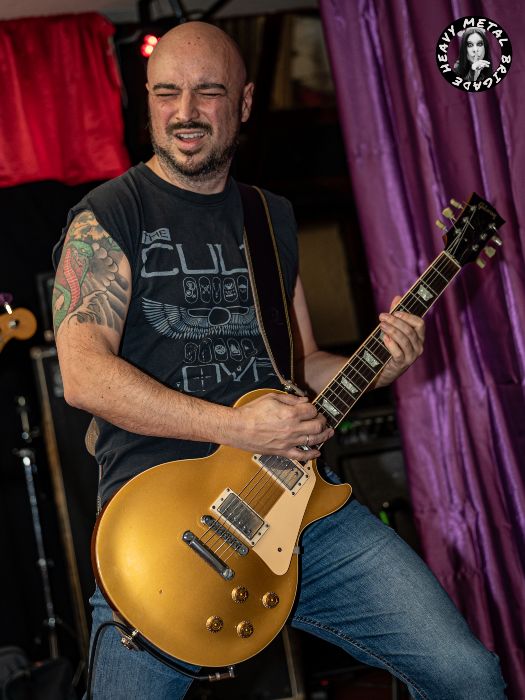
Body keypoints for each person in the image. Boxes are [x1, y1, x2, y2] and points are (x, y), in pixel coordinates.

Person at [52, 21, 506, 700]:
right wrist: (239, 427)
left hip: (301, 510)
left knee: (468, 676)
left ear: (243, 103)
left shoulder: (271, 219)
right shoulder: (109, 215)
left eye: (208, 92)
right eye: (166, 92)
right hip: (166, 528)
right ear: (146, 99)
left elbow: (301, 365)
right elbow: (84, 374)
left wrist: (380, 364)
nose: (184, 112)